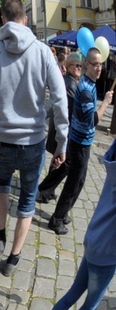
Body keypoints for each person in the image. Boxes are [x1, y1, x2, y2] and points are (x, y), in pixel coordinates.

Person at [0, 0, 68, 277]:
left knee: (2, 185)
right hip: (34, 142)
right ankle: (14, 258)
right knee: (27, 198)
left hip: (4, 139)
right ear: (25, 18)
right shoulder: (43, 52)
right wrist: (62, 142)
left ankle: (0, 237)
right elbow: (61, 100)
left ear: (2, 19)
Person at [38, 139, 116, 310]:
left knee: (70, 296)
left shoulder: (113, 161)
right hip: (107, 251)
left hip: (94, 239)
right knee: (87, 308)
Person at [45, 48, 113, 235]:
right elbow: (93, 120)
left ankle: (63, 212)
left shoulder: (90, 83)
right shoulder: (84, 90)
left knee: (80, 180)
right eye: (95, 64)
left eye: (101, 64)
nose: (99, 68)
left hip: (83, 141)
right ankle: (56, 219)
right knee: (74, 182)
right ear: (86, 65)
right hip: (79, 143)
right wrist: (106, 102)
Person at [37, 53, 81, 203]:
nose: (79, 68)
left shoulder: (72, 81)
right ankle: (44, 190)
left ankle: (47, 190)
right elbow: (74, 107)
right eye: (76, 65)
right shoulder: (70, 84)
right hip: (63, 127)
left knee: (59, 158)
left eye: (80, 65)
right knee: (63, 160)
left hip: (61, 125)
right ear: (69, 67)